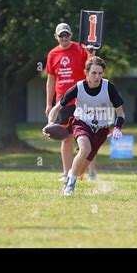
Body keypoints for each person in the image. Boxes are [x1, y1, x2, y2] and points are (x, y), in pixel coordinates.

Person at [46, 57, 125, 196]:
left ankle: (71, 175)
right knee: (85, 148)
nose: (97, 76)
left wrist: (118, 127)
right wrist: (50, 123)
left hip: (101, 129)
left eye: (100, 73)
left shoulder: (109, 88)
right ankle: (70, 185)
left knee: (81, 170)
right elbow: (56, 108)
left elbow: (121, 113)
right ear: (86, 73)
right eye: (94, 73)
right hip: (81, 123)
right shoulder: (78, 87)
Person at [45, 22, 97, 182]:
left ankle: (91, 174)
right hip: (63, 102)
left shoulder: (81, 49)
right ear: (56, 37)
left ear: (71, 35)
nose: (64, 37)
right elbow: (51, 80)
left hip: (82, 100)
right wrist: (49, 104)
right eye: (61, 35)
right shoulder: (52, 54)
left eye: (66, 34)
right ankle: (67, 173)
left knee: (87, 137)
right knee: (66, 138)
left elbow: (93, 67)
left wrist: (91, 53)